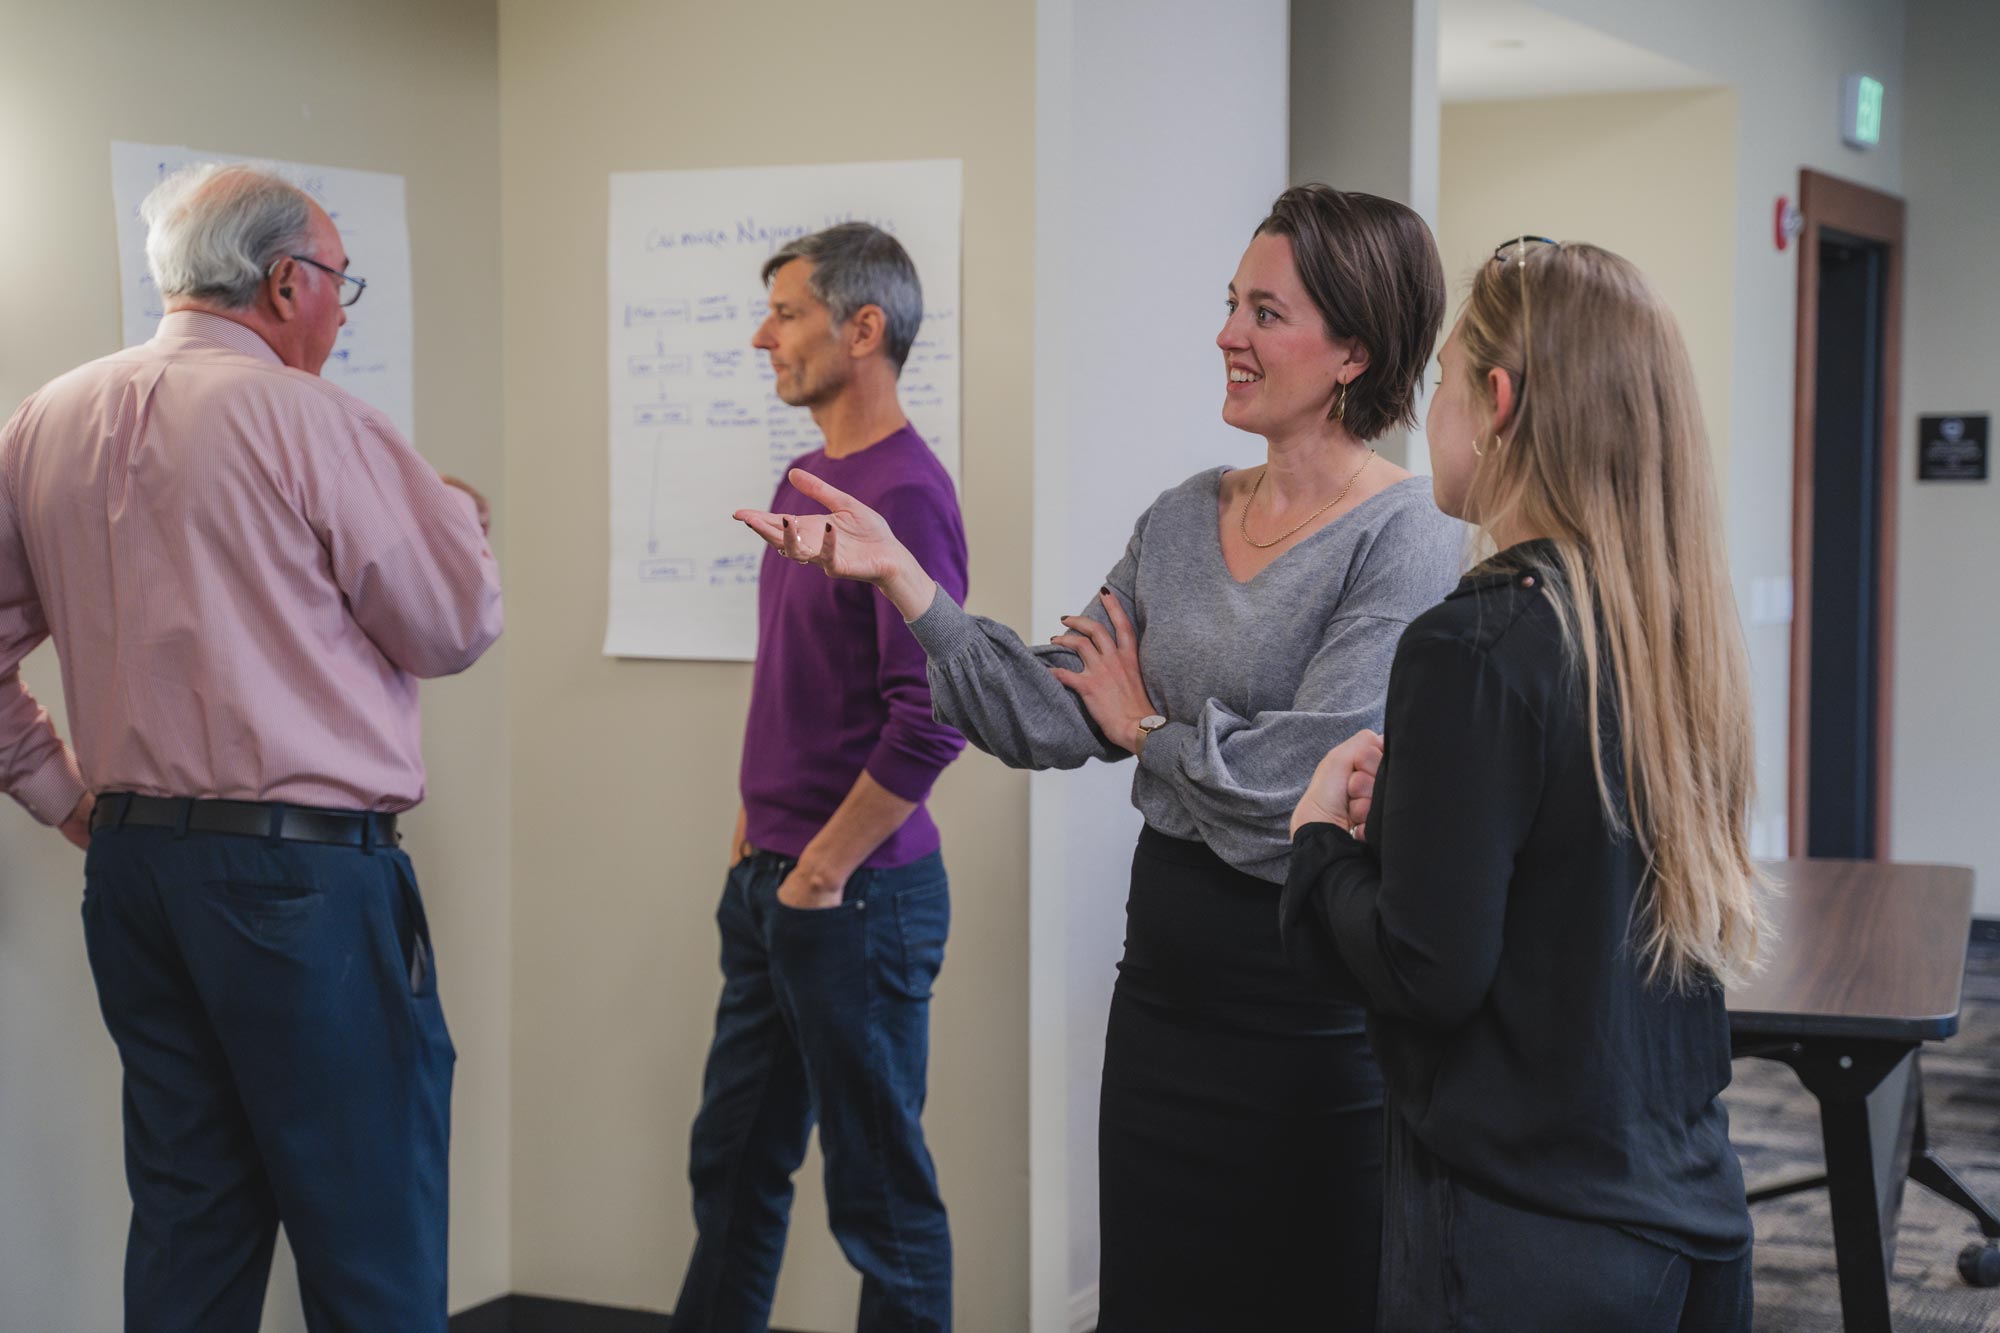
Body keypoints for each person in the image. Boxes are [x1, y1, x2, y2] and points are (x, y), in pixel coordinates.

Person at [735, 186, 1463, 1331]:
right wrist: (907, 588)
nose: (1226, 333)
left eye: (1264, 312)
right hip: (1165, 992)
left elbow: (1300, 790)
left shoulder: (1408, 536)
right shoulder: (1180, 517)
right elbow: (1042, 710)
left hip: (1308, 1007)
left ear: (1353, 350)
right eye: (1230, 304)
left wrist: (1145, 732)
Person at [0, 162, 501, 1330]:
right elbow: (451, 625)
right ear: (286, 283)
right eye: (339, 282)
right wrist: (455, 522)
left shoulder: (45, 417)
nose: (339, 307)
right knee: (369, 1228)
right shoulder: (309, 415)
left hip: (133, 876)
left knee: (191, 1220)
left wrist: (56, 787)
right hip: (304, 880)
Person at [1281, 238, 1766, 1332]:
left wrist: (1319, 844)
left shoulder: (1473, 645)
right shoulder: (1676, 637)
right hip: (1688, 1217)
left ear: (1496, 401)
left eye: (1445, 383)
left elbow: (1426, 969)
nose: (1430, 413)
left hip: (1521, 1240)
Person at [671, 223, 969, 1333]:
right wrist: (759, 832)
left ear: (863, 328)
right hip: (775, 885)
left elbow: (933, 715)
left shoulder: (905, 492)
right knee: (731, 1167)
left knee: (880, 1200)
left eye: (785, 313)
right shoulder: (808, 477)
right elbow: (800, 676)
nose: (763, 337)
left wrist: (820, 872)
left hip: (856, 897)